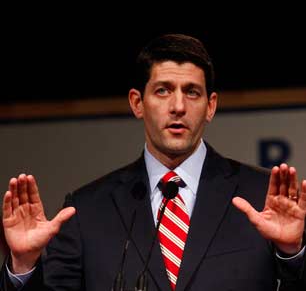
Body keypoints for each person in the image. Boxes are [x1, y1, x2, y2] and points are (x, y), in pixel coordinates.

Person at [1, 33, 306, 291]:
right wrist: (24, 265)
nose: (178, 107)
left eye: (192, 92)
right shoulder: (88, 212)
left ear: (210, 106)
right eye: (163, 91)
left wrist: (292, 254)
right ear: (137, 103)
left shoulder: (262, 197)